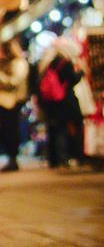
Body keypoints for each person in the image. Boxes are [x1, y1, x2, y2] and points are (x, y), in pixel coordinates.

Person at [36, 39, 87, 168]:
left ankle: (55, 158)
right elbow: (72, 79)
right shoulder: (66, 63)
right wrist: (81, 72)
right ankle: (69, 156)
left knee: (56, 129)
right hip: (66, 100)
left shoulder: (48, 63)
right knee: (70, 128)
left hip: (53, 101)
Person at [0, 38, 29, 172]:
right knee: (6, 131)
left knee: (11, 130)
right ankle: (11, 158)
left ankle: (13, 159)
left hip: (11, 102)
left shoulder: (18, 63)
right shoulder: (8, 63)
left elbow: (14, 82)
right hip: (4, 102)